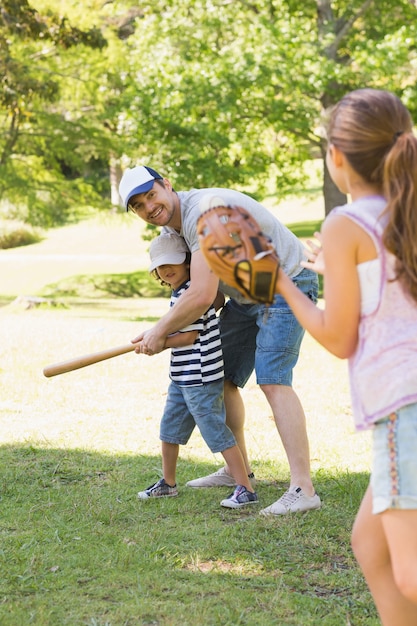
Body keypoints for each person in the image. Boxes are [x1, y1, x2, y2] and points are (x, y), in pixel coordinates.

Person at [272, 89, 417, 625]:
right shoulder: (405, 210)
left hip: (405, 407)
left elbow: (339, 339)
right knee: (371, 546)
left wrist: (284, 282)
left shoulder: (346, 223)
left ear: (336, 156)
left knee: (411, 573)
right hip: (407, 404)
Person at [118, 165, 321, 516]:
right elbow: (209, 293)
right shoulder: (174, 227)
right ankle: (237, 471)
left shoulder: (205, 213)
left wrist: (159, 331)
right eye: (138, 205)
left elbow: (200, 294)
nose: (149, 207)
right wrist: (170, 325)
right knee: (221, 375)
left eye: (151, 195)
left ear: (167, 185)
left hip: (287, 285)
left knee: (273, 380)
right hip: (247, 297)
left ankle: (303, 489)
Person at [136, 232, 258, 509]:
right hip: (182, 376)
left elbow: (188, 337)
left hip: (201, 377)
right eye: (160, 266)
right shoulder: (182, 292)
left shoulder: (191, 294)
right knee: (169, 429)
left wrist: (157, 342)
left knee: (216, 431)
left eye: (173, 263)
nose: (167, 270)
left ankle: (245, 487)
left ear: (189, 262)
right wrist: (154, 334)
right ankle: (168, 484)